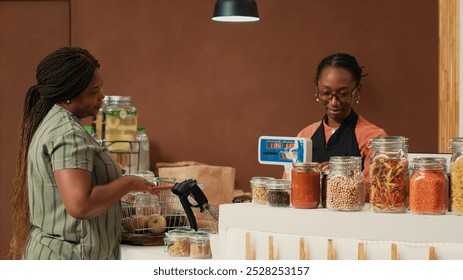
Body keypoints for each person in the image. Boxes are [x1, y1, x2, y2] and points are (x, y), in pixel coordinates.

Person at [9, 47, 157, 260]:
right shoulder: (68, 134)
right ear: (68, 95)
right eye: (93, 92)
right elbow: (81, 205)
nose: (102, 96)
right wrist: (130, 183)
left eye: (101, 88)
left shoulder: (55, 121)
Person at [296, 52, 387, 190]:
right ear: (317, 90)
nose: (334, 102)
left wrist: (342, 173)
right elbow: (292, 185)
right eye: (326, 93)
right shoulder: (305, 136)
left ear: (356, 91)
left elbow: (376, 191)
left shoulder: (373, 138)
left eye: (343, 94)